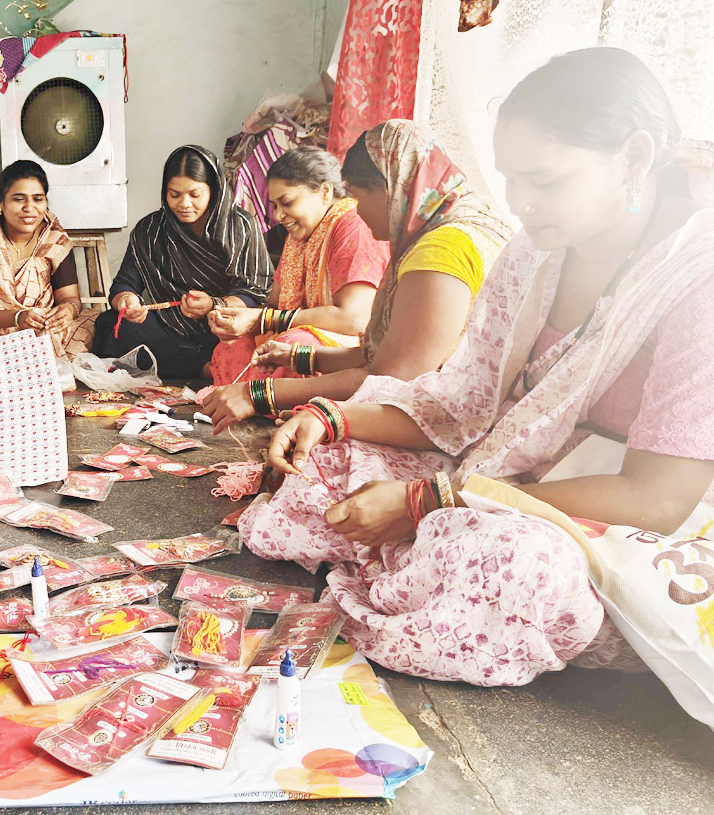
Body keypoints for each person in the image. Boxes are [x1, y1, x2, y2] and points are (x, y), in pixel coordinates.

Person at [246, 47, 714, 686]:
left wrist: (427, 500)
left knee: (512, 567)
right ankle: (417, 558)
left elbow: (657, 499)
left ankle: (420, 564)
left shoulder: (699, 277)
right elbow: (462, 404)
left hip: (625, 524)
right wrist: (331, 420)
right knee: (327, 463)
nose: (519, 202)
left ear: (631, 158)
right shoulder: (533, 255)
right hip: (505, 474)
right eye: (510, 179)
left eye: (544, 181)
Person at [200, 120, 512, 432]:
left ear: (392, 186)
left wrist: (258, 394)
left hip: (459, 421)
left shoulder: (442, 251)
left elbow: (390, 381)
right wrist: (299, 357)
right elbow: (381, 357)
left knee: (312, 455)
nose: (357, 210)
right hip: (422, 394)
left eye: (358, 197)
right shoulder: (447, 230)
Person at [207, 147, 390, 384]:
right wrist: (237, 318)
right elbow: (274, 304)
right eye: (274, 206)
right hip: (302, 331)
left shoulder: (352, 226)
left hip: (350, 348)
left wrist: (262, 319)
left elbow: (352, 321)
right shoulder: (298, 237)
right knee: (237, 342)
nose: (279, 216)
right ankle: (243, 400)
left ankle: (269, 404)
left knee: (294, 347)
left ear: (325, 192)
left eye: (287, 202)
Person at [92, 144, 272, 378]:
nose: (184, 204)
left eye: (195, 195)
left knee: (252, 339)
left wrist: (214, 305)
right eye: (174, 195)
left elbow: (255, 292)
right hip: (170, 330)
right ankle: (207, 369)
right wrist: (127, 301)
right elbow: (124, 284)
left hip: (223, 329)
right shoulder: (150, 231)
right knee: (110, 325)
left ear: (214, 190)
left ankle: (206, 366)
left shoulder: (241, 226)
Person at [0, 160, 97, 359]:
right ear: (1, 204)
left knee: (91, 327)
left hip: (39, 331)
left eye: (38, 199)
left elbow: (69, 297)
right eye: (18, 199)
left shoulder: (53, 240)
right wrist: (16, 318)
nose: (29, 208)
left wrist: (67, 310)